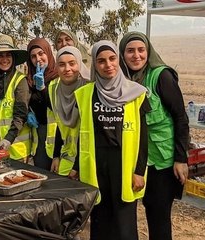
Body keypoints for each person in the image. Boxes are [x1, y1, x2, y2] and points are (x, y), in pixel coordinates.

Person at [72, 40, 150, 240]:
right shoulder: (86, 94)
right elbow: (84, 133)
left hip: (123, 165)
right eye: (101, 61)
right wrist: (77, 166)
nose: (108, 65)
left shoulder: (136, 93)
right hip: (97, 165)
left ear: (118, 59)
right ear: (95, 66)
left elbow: (143, 136)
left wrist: (139, 171)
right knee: (100, 220)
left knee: (124, 224)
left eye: (112, 59)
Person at [119, 31, 189, 240]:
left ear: (148, 52)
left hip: (163, 161)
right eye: (130, 51)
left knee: (159, 217)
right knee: (141, 209)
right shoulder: (122, 82)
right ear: (122, 55)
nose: (136, 55)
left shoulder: (161, 76)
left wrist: (180, 158)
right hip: (137, 162)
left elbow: (180, 117)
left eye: (141, 50)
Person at [49, 46, 90, 176]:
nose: (67, 69)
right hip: (66, 156)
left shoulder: (88, 89)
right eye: (61, 65)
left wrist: (77, 167)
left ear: (79, 64)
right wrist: (56, 156)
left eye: (72, 64)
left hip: (87, 158)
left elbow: (89, 131)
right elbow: (58, 124)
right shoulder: (54, 89)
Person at [25, 38, 58, 170]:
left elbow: (56, 107)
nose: (38, 59)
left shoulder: (58, 77)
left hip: (57, 139)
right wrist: (27, 113)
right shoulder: (28, 80)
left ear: (48, 53)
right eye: (33, 56)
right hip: (38, 138)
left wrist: (42, 88)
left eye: (41, 53)